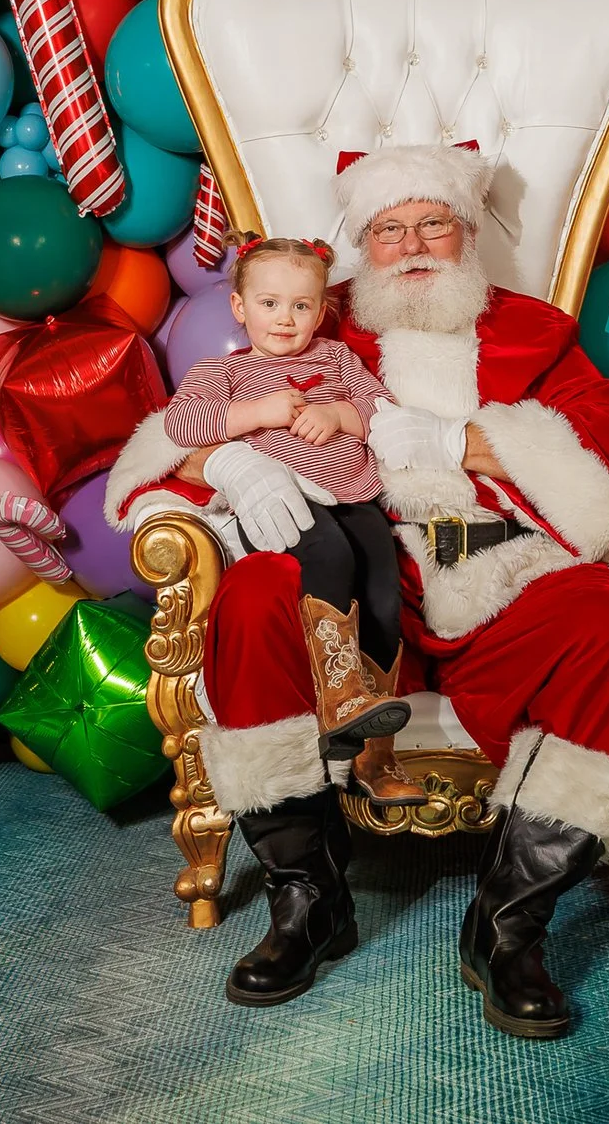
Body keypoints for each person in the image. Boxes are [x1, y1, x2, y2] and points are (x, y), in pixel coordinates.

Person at [107, 144, 609, 1039]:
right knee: (253, 592)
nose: (412, 244)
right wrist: (238, 460)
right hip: (365, 584)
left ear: (467, 231)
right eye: (388, 227)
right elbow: (176, 431)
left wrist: (461, 442)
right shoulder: (313, 326)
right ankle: (308, 901)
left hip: (500, 573)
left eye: (432, 222)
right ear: (362, 243)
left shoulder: (532, 330)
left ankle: (508, 927)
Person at [154, 232, 426, 808]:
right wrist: (260, 412)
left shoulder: (334, 360)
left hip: (352, 494)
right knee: (328, 556)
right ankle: (340, 702)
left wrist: (337, 413)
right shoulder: (223, 373)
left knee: (381, 591)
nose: (284, 318)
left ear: (321, 311)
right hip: (281, 502)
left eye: (301, 306)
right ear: (239, 307)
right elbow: (181, 428)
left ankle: (377, 754)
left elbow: (383, 412)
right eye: (269, 303)